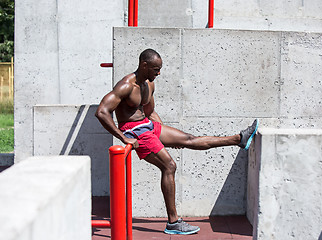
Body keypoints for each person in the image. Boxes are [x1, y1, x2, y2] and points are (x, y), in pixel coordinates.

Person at [95, 48, 259, 235]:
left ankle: (239, 139)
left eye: (160, 69)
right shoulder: (125, 85)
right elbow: (101, 112)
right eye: (155, 69)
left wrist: (163, 136)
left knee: (189, 139)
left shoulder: (149, 84)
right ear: (144, 65)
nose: (159, 73)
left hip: (148, 126)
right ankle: (173, 222)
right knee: (169, 166)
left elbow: (149, 112)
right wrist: (124, 138)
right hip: (134, 131)